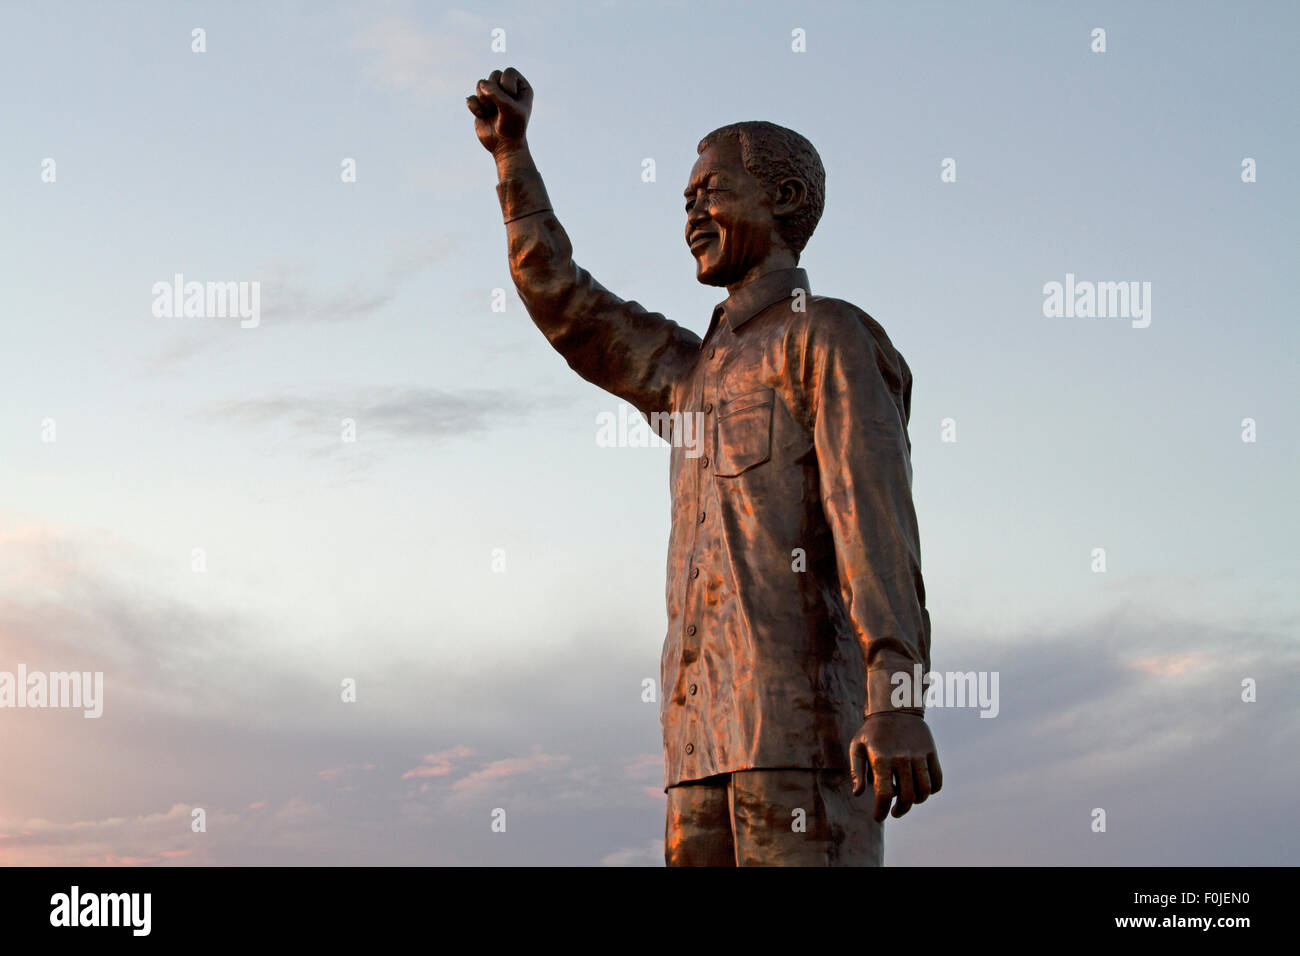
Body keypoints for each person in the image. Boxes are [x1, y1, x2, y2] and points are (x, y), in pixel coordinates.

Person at [468, 67, 942, 866]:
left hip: (803, 736)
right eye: (685, 196)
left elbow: (875, 521)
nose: (691, 209)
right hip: (695, 748)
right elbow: (565, 300)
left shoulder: (827, 338)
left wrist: (896, 696)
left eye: (712, 190)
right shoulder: (691, 375)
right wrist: (511, 159)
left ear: (784, 200)